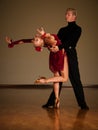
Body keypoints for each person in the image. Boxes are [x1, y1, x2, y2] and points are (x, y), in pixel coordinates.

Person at [5, 29, 68, 108]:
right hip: (59, 56)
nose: (35, 38)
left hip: (53, 57)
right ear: (41, 43)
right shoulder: (46, 40)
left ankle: (56, 98)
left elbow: (24, 41)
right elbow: (53, 40)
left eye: (35, 39)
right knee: (64, 78)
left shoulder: (41, 41)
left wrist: (12, 43)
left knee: (56, 77)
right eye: (36, 40)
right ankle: (45, 81)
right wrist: (44, 34)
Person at [42, 8, 89, 110]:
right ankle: (51, 102)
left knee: (76, 79)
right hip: (60, 55)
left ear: (74, 16)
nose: (66, 16)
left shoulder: (78, 29)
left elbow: (71, 42)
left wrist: (59, 47)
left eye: (68, 14)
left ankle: (83, 104)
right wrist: (50, 47)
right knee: (58, 79)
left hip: (70, 55)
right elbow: (55, 41)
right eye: (66, 14)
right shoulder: (62, 30)